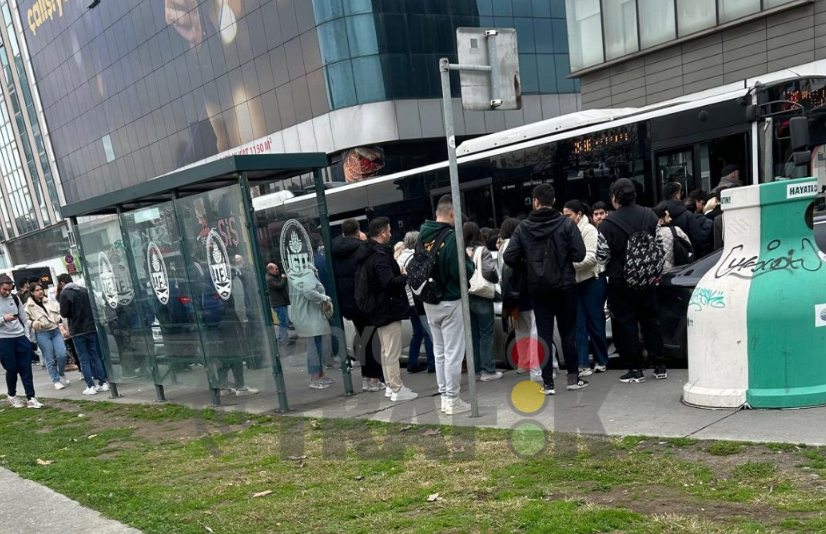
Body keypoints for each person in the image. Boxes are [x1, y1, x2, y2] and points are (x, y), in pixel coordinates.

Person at [504, 184, 587, 395]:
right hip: (566, 286)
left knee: (544, 334)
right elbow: (579, 254)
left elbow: (509, 256)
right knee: (568, 333)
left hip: (538, 289)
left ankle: (548, 383)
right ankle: (572, 378)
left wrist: (529, 264)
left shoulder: (523, 228)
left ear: (535, 202)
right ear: (554, 201)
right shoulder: (567, 225)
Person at [597, 178, 667, 383]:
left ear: (614, 198)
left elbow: (601, 256)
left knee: (626, 324)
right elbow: (659, 245)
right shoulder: (650, 215)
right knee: (651, 320)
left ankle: (635, 369)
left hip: (620, 280)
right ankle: (660, 365)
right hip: (647, 278)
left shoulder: (607, 224)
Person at [419, 195, 475, 415]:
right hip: (450, 299)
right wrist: (468, 259)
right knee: (453, 352)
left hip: (429, 300)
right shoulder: (451, 238)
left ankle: (444, 396)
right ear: (451, 213)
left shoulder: (421, 235)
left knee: (439, 350)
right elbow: (463, 271)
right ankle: (452, 399)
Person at [356, 217, 418, 402]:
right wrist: (404, 277)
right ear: (382, 233)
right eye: (389, 230)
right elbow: (388, 282)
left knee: (386, 350)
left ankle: (391, 387)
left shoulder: (369, 255)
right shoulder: (380, 257)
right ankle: (396, 388)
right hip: (387, 308)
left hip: (379, 308)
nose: (391, 233)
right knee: (392, 351)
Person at [332, 219, 384, 392]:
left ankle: (365, 378)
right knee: (372, 339)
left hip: (349, 304)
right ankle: (374, 379)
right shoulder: (361, 249)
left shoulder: (335, 251)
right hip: (366, 301)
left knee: (362, 339)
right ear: (357, 231)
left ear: (343, 232)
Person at [563, 200, 609, 377]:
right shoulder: (567, 231)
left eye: (569, 215)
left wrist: (567, 266)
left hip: (592, 281)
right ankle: (583, 364)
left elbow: (590, 259)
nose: (566, 219)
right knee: (578, 324)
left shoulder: (589, 230)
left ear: (579, 215)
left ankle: (601, 360)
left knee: (595, 321)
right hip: (576, 283)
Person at [498, 217, 545, 382]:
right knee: (534, 329)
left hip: (510, 297)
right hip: (525, 293)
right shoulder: (518, 245)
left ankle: (523, 363)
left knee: (520, 329)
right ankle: (535, 367)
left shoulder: (501, 247)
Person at [57, 274, 109, 396]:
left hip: (77, 329)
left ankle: (90, 385)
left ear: (62, 283)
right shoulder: (84, 290)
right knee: (95, 356)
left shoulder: (64, 294)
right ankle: (102, 383)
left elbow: (64, 313)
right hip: (91, 327)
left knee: (83, 358)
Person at [287, 261, 335, 390]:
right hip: (311, 315)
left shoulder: (293, 274)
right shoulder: (307, 272)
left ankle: (319, 375)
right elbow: (308, 291)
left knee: (315, 346)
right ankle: (315, 378)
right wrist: (324, 298)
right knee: (315, 347)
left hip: (303, 315)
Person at [464, 221, 502, 382]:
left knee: (473, 335)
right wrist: (494, 279)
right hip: (482, 296)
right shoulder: (482, 250)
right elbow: (488, 271)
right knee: (486, 335)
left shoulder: (459, 251)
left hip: (467, 297)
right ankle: (488, 370)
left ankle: (477, 369)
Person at [396, 231, 435, 374]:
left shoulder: (400, 258)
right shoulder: (416, 257)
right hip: (417, 299)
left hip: (407, 301)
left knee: (417, 333)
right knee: (427, 333)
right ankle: (432, 363)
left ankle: (412, 363)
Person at [0, 275, 41, 408]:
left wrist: (27, 338)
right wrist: (3, 319)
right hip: (4, 339)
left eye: (9, 289)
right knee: (12, 368)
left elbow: (24, 320)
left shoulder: (15, 298)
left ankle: (31, 398)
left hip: (20, 337)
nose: (7, 292)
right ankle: (12, 394)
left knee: (26, 368)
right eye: (5, 289)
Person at [25, 282, 70, 390]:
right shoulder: (28, 306)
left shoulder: (49, 301)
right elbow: (25, 320)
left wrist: (62, 326)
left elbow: (59, 314)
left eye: (41, 289)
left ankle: (61, 372)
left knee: (62, 354)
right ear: (32, 293)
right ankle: (56, 380)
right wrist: (33, 323)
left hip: (55, 330)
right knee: (49, 358)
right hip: (42, 333)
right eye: (37, 290)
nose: (40, 291)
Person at [662, 182, 706, 257]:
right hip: (685, 258)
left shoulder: (656, 214)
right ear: (677, 195)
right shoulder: (687, 215)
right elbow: (697, 240)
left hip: (665, 259)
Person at [653, 202, 693, 271]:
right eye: (668, 217)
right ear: (661, 221)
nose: (671, 219)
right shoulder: (676, 230)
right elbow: (689, 246)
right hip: (679, 269)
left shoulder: (651, 235)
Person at [266, 263, 290, 343]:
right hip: (278, 303)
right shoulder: (269, 279)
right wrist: (283, 279)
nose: (278, 271)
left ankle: (284, 338)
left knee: (284, 321)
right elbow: (279, 286)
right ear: (270, 270)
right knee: (284, 321)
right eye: (275, 269)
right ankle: (281, 338)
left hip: (281, 302)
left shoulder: (273, 277)